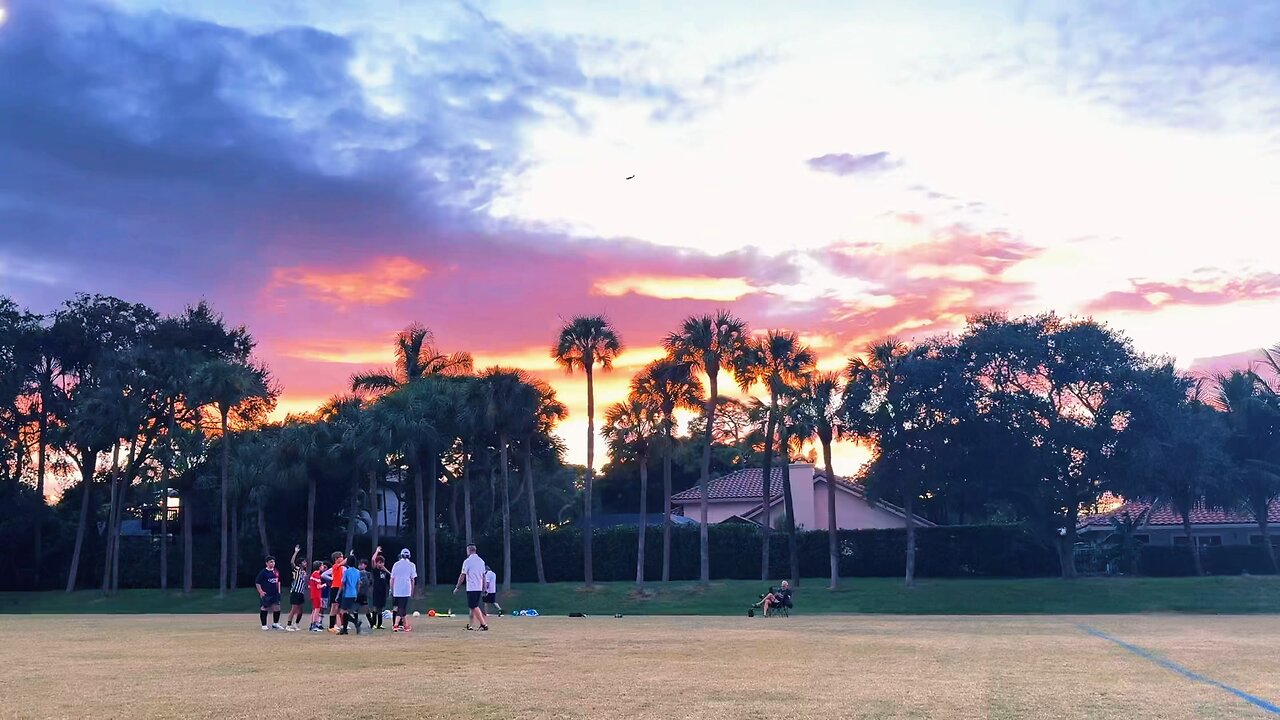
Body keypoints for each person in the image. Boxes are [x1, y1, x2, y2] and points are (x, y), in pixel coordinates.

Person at [453, 544, 488, 631]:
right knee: (472, 607)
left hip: (472, 587)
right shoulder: (481, 561)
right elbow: (483, 576)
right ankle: (470, 625)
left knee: (474, 606)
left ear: (469, 550)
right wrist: (484, 588)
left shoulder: (467, 561)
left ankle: (483, 624)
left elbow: (462, 575)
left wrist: (457, 587)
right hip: (478, 587)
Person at [390, 548, 417, 633]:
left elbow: (392, 578)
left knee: (402, 608)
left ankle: (405, 625)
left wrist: (391, 589)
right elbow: (412, 579)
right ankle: (396, 624)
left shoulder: (396, 564)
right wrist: (412, 590)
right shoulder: (412, 565)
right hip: (406, 589)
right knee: (401, 608)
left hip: (397, 589)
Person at [255, 556, 282, 631]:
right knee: (264, 608)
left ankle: (275, 623)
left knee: (277, 608)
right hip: (267, 593)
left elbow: (278, 581)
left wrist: (279, 591)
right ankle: (264, 625)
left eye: (273, 562)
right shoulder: (263, 572)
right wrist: (261, 591)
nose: (273, 563)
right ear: (266, 563)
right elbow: (257, 582)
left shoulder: (276, 571)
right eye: (271, 562)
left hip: (275, 593)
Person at [285, 545, 308, 631]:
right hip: (295, 591)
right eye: (304, 562)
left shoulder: (304, 572)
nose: (306, 563)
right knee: (294, 609)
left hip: (301, 592)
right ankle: (288, 625)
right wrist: (296, 552)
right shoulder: (297, 569)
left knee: (301, 610)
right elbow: (292, 562)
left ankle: (296, 624)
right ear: (300, 563)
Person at [338, 553, 362, 635]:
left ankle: (356, 621)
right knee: (346, 611)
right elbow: (359, 583)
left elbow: (343, 584)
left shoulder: (346, 571)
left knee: (342, 611)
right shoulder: (358, 571)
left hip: (347, 593)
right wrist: (357, 593)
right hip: (354, 593)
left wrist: (338, 594)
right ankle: (344, 629)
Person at [369, 547, 391, 630]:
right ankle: (373, 624)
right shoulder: (375, 570)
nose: (381, 564)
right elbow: (373, 559)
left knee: (380, 608)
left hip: (383, 591)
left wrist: (384, 568)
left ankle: (379, 624)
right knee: (375, 607)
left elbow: (391, 574)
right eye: (380, 563)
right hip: (377, 590)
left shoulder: (383, 570)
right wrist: (377, 551)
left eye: (382, 563)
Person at [326, 551, 346, 632]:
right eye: (340, 557)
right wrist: (350, 556)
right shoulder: (335, 566)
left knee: (337, 608)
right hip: (335, 588)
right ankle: (331, 626)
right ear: (336, 559)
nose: (342, 558)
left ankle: (335, 625)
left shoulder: (341, 568)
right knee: (334, 607)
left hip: (339, 588)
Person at [309, 560, 327, 632]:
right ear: (319, 567)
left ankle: (312, 625)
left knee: (314, 610)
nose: (323, 567)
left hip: (313, 594)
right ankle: (314, 625)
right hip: (316, 594)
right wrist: (324, 585)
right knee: (317, 610)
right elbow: (318, 586)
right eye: (322, 566)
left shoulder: (313, 574)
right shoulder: (316, 575)